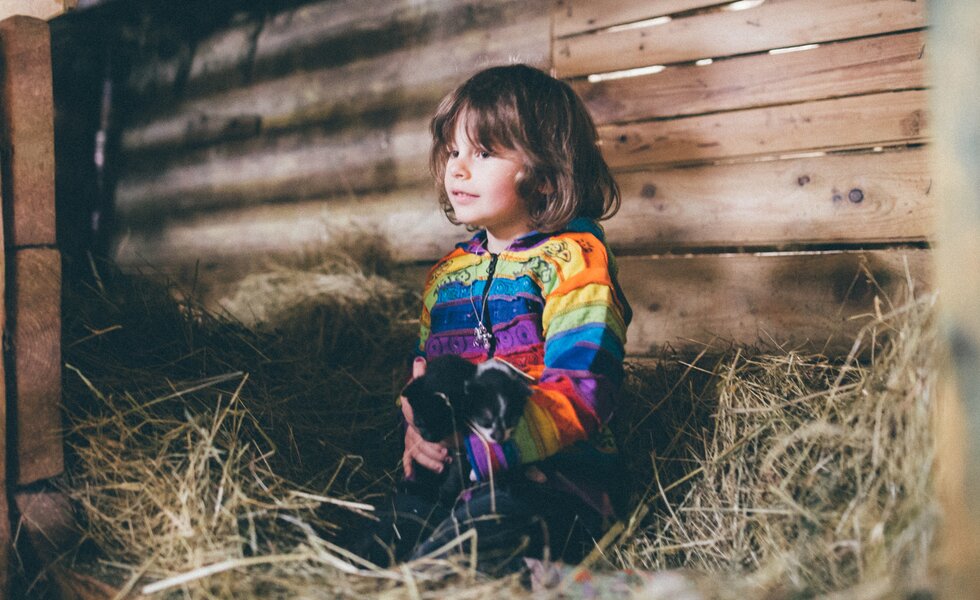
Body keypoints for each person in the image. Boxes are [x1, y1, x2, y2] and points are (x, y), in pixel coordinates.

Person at [353, 63, 632, 574]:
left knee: (465, 557)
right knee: (373, 546)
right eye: (453, 152)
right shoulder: (447, 277)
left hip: (550, 486)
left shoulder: (573, 263)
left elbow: (587, 389)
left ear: (546, 175)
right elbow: (423, 379)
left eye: (482, 153)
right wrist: (416, 433)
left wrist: (484, 451)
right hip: (447, 483)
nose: (456, 169)